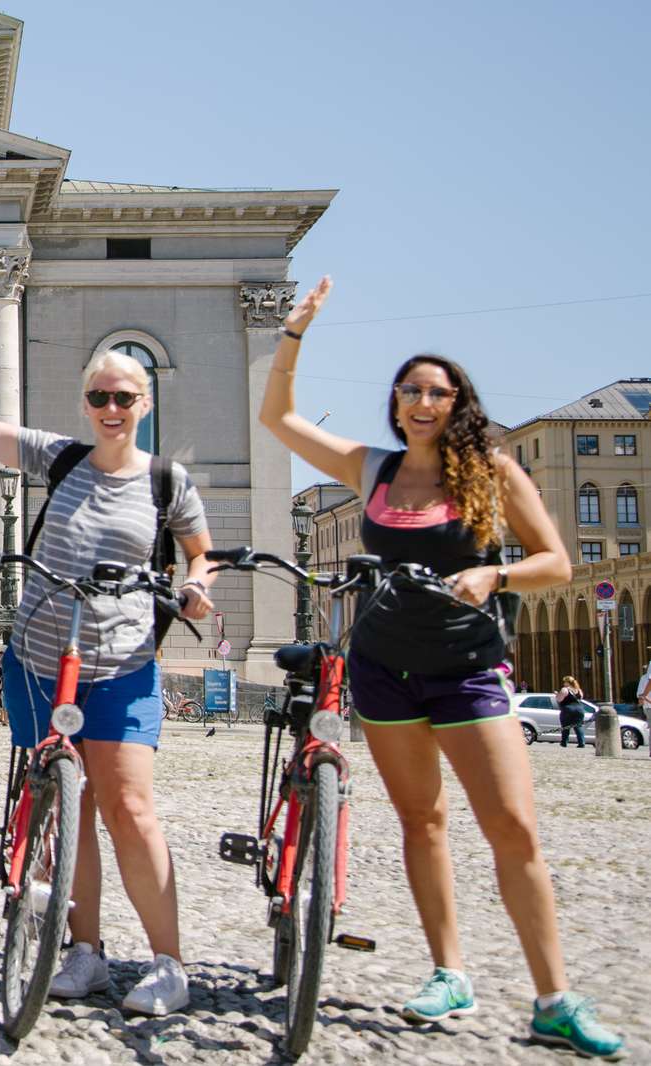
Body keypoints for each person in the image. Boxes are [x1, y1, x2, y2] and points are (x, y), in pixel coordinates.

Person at [259, 277, 623, 1058]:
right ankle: (448, 971)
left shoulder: (489, 473)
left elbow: (557, 561)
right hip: (385, 666)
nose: (422, 402)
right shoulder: (374, 470)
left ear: (458, 403)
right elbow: (277, 418)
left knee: (513, 830)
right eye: (409, 391)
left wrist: (496, 574)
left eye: (437, 392)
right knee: (421, 824)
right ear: (395, 404)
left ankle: (554, 996)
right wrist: (294, 335)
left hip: (468, 667)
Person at [0, 332, 217, 1017]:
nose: (111, 407)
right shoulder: (59, 457)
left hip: (121, 662)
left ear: (144, 402)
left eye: (124, 396)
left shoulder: (165, 481)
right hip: (39, 661)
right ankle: (85, 952)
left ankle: (167, 962)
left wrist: (197, 584)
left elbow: (199, 552)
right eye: (99, 396)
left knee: (129, 807)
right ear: (85, 404)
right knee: (68, 811)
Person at [554, 676, 588, 749]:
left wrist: (557, 694)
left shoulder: (565, 689)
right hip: (579, 709)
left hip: (568, 709)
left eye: (564, 682)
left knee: (565, 726)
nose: (563, 683)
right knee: (578, 726)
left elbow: (559, 699)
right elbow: (580, 698)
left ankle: (564, 742)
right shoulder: (579, 690)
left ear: (567, 682)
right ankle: (581, 742)